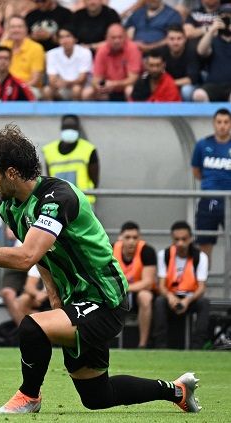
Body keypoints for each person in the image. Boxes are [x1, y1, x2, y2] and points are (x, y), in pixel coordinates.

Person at [0, 123, 200, 414]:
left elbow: (26, 256)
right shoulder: (10, 206)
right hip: (76, 300)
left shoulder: (57, 198)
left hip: (105, 299)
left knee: (32, 327)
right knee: (97, 396)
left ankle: (29, 397)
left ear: (11, 173)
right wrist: (52, 290)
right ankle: (177, 390)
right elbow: (41, 254)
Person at [153, 221, 211, 350]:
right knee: (159, 302)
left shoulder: (201, 257)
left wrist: (187, 300)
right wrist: (170, 297)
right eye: (177, 239)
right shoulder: (164, 255)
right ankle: (160, 346)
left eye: (184, 239)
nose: (180, 243)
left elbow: (202, 287)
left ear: (190, 238)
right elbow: (161, 285)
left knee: (205, 303)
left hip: (191, 297)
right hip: (171, 296)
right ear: (172, 239)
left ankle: (198, 347)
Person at [191, 107, 231, 262]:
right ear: (214, 124)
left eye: (226, 122)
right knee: (204, 244)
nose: (222, 125)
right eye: (219, 122)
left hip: (229, 199)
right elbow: (196, 171)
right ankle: (203, 283)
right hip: (208, 201)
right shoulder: (202, 145)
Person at [113, 221, 158, 348]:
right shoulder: (110, 249)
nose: (131, 241)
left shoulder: (147, 251)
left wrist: (125, 288)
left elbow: (148, 283)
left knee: (146, 297)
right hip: (117, 293)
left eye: (135, 237)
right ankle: (107, 343)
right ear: (120, 238)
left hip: (137, 293)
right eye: (127, 237)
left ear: (139, 238)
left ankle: (142, 344)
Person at [82, 23, 141, 101]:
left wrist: (114, 84)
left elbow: (133, 79)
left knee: (129, 90)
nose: (117, 41)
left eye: (120, 37)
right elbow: (96, 79)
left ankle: (132, 113)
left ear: (125, 37)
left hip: (126, 87)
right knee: (87, 93)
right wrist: (99, 86)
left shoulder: (132, 48)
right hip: (108, 89)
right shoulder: (102, 50)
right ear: (106, 38)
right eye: (113, 38)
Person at [192, 5, 231, 102]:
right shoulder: (212, 39)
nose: (227, 20)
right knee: (198, 95)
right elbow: (201, 51)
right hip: (214, 84)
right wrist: (212, 30)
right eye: (224, 17)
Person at [0, 16, 45, 97]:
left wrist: (16, 88)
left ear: (26, 29)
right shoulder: (4, 45)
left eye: (20, 27)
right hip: (5, 87)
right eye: (12, 27)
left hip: (28, 87)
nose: (16, 30)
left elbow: (35, 80)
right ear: (8, 30)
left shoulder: (36, 48)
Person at [43, 26, 91, 101]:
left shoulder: (85, 52)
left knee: (76, 89)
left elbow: (82, 79)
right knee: (47, 90)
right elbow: (52, 79)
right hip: (60, 87)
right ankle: (52, 112)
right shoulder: (51, 54)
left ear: (75, 39)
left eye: (68, 36)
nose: (65, 40)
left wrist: (66, 83)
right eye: (61, 37)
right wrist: (60, 84)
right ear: (58, 40)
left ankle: (76, 112)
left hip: (79, 87)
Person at [158, 25, 201, 102]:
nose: (175, 42)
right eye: (172, 39)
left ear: (185, 39)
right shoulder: (161, 52)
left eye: (179, 38)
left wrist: (169, 84)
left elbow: (192, 79)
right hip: (169, 83)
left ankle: (187, 113)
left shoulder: (192, 51)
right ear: (166, 40)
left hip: (191, 85)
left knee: (186, 90)